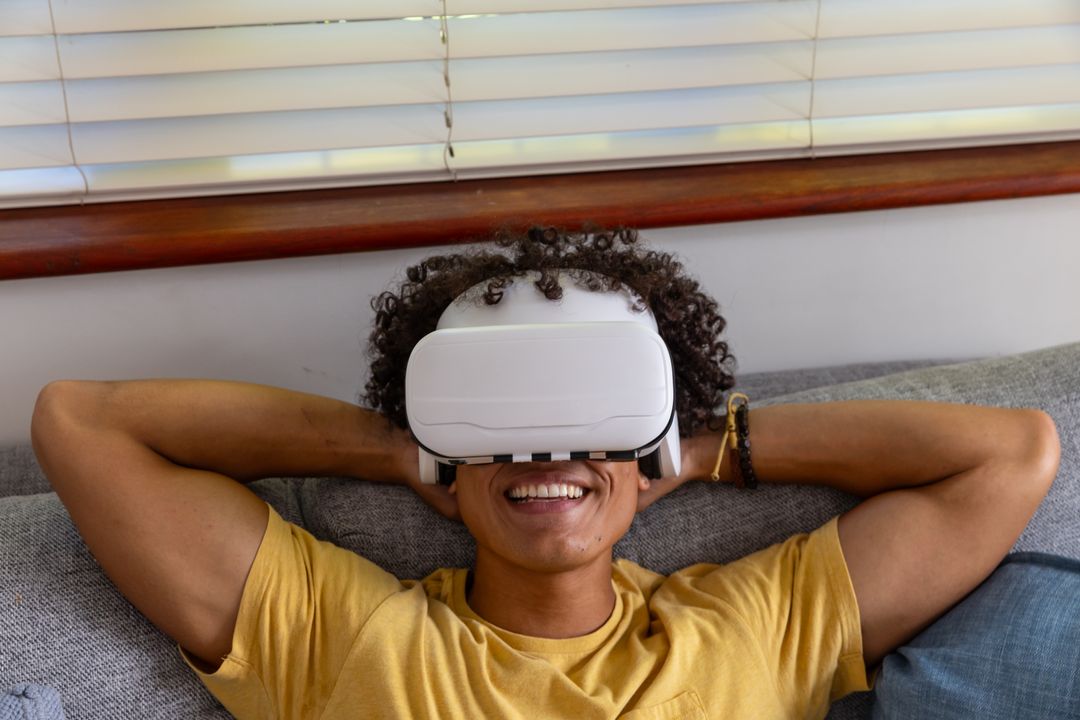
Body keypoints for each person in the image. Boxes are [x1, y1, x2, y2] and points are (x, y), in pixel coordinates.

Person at [30, 228, 1060, 719]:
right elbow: (82, 423)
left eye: (586, 419)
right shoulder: (342, 634)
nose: (550, 454)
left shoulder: (754, 624)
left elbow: (1011, 454)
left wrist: (695, 449)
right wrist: (408, 448)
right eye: (509, 420)